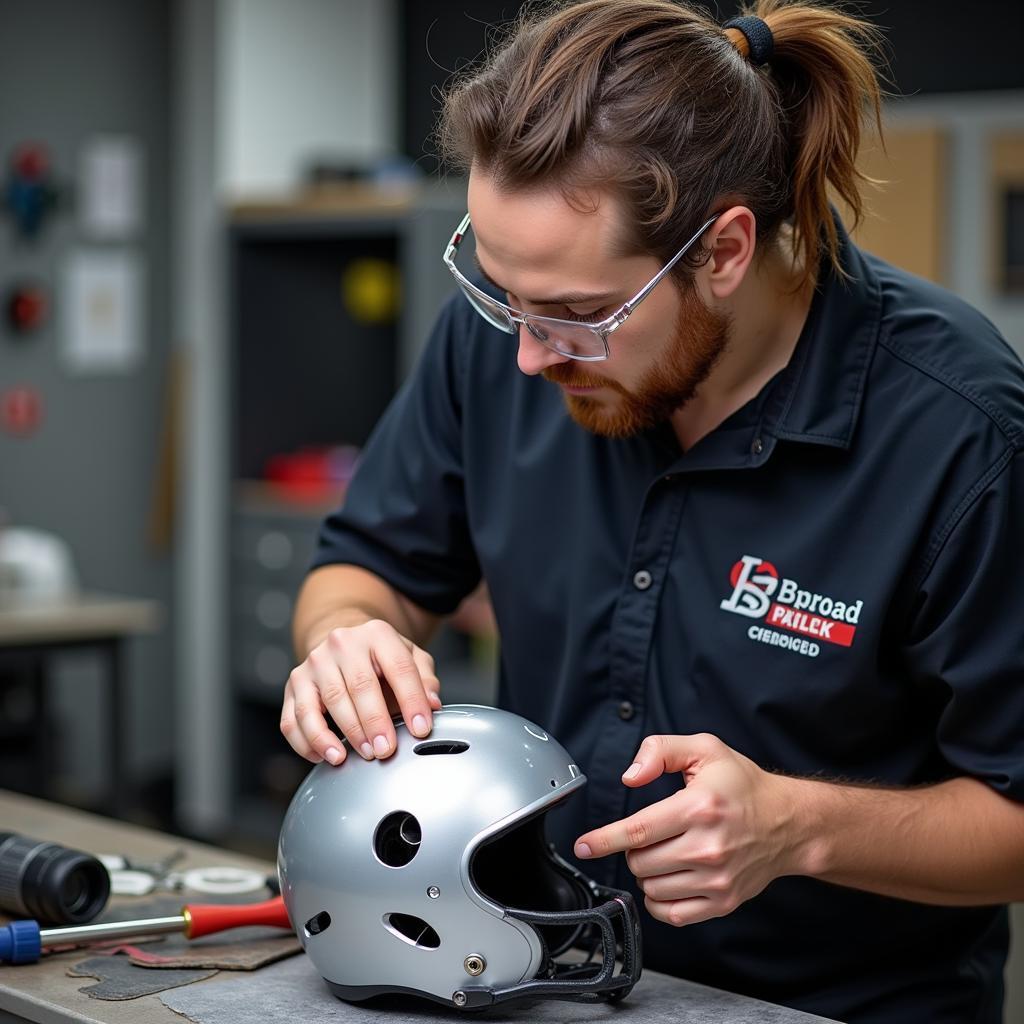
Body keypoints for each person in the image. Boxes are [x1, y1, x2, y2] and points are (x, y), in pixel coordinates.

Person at [278, 2, 1024, 1021]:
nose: (529, 357)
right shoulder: (501, 343)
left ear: (721, 251)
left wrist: (801, 827)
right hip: (544, 986)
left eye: (581, 316)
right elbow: (362, 568)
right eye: (501, 292)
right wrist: (345, 639)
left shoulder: (959, 432)